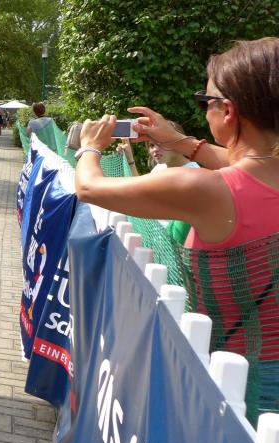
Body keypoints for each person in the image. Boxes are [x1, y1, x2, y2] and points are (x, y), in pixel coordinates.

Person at [74, 38, 279, 414]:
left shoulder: (204, 189)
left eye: (206, 101)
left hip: (240, 391)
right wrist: (179, 141)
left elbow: (89, 188)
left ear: (228, 110)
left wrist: (90, 146)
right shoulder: (260, 175)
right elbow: (243, 163)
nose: (204, 109)